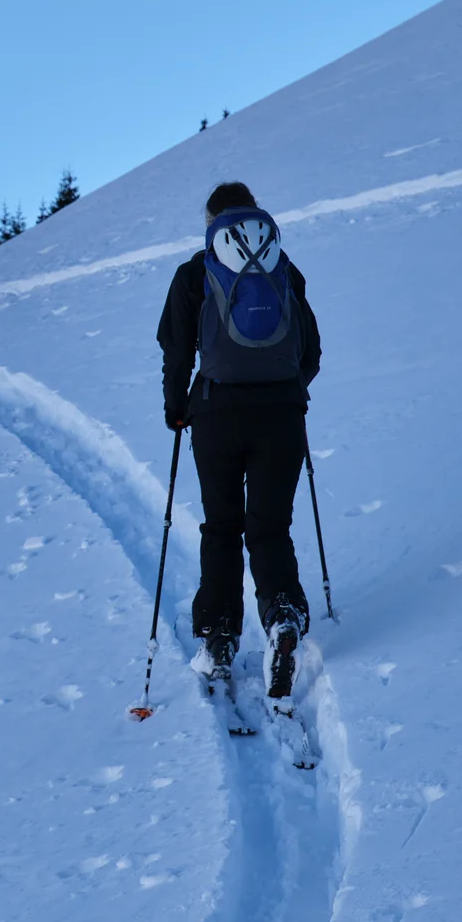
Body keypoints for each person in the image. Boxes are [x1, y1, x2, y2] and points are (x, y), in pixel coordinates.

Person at [155, 181, 321, 700]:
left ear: (212, 222)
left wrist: (177, 407)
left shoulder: (194, 273)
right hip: (282, 414)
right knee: (270, 526)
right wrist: (289, 393)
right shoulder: (283, 269)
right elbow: (311, 350)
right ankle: (282, 616)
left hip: (216, 414)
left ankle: (220, 639)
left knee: (222, 527)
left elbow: (176, 349)